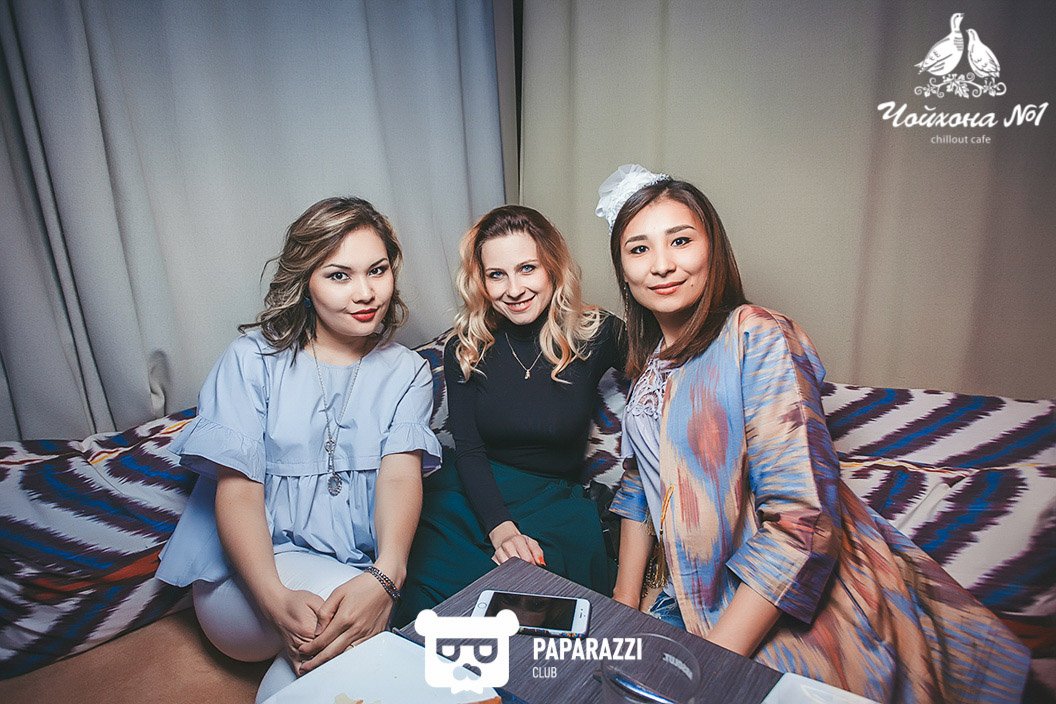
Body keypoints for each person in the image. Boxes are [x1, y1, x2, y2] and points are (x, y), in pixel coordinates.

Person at [597, 165, 1030, 704]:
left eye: (680, 240)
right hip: (682, 592)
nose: (662, 264)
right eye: (639, 249)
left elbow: (803, 524)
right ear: (623, 270)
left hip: (761, 608)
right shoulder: (652, 364)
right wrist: (624, 603)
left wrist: (709, 670)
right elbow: (641, 484)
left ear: (713, 249)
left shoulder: (756, 334)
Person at [156, 197, 441, 703]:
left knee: (357, 630)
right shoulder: (250, 361)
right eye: (339, 276)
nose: (365, 292)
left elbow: (400, 475)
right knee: (354, 624)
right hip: (246, 584)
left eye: (377, 270)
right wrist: (273, 598)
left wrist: (388, 575)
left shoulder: (408, 372)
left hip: (351, 572)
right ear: (305, 282)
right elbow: (238, 492)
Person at [395, 205, 621, 625]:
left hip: (555, 502)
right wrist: (501, 529)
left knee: (535, 611)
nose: (513, 289)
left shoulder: (597, 333)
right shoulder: (466, 347)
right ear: (480, 281)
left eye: (527, 269)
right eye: (497, 275)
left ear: (552, 267)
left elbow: (668, 359)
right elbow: (469, 450)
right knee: (428, 602)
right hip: (471, 495)